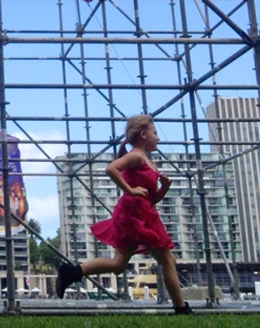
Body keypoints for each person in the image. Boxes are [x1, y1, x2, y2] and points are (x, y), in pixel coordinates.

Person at [56, 114, 193, 315]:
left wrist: (164, 187)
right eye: (155, 133)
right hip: (135, 213)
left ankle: (72, 272)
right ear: (143, 135)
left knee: (119, 264)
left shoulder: (149, 162)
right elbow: (111, 169)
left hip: (140, 212)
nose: (158, 138)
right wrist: (130, 189)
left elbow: (151, 198)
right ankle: (181, 309)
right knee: (167, 260)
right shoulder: (136, 156)